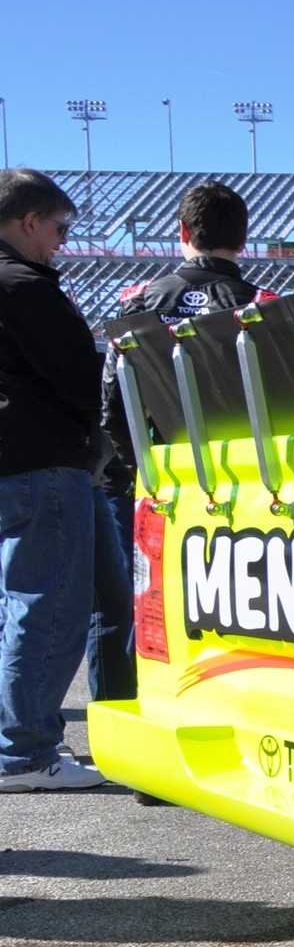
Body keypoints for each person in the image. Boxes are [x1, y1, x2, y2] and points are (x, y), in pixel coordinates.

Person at [92, 181, 268, 702]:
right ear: (242, 238)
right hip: (241, 484)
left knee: (137, 606)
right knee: (236, 605)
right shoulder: (263, 303)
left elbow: (112, 403)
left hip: (152, 483)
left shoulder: (138, 300)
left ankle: (123, 717)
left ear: (183, 232)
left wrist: (136, 472)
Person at [0, 170, 111, 789]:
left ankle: (17, 741)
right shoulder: (22, 284)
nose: (63, 242)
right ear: (29, 222)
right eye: (60, 229)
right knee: (47, 605)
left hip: (15, 462)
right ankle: (27, 750)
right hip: (42, 462)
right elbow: (78, 378)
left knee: (19, 605)